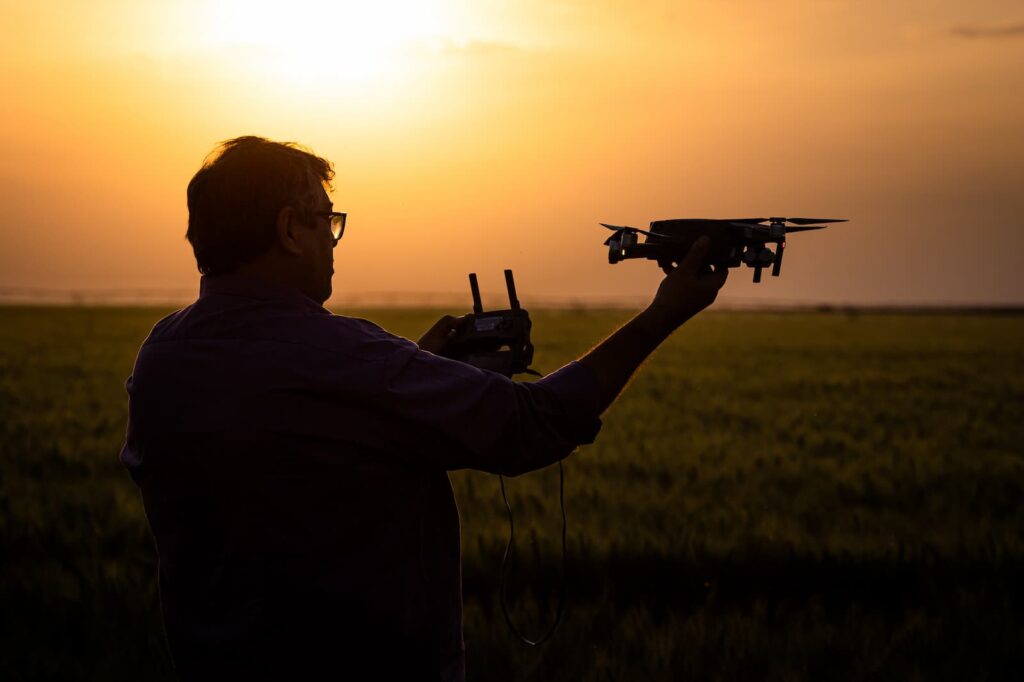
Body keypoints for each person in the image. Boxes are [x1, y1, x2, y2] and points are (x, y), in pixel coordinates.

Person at [120, 136, 727, 681]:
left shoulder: (163, 356)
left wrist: (419, 367)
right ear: (287, 229)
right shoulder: (351, 360)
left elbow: (291, 434)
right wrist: (665, 312)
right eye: (325, 221)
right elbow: (534, 424)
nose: (333, 242)